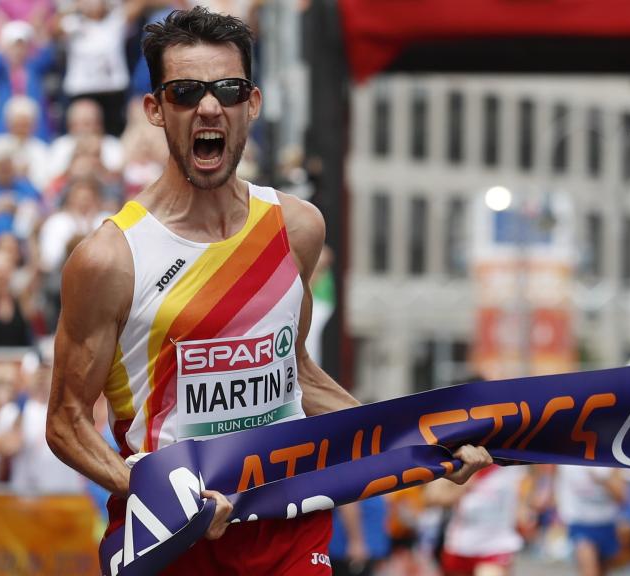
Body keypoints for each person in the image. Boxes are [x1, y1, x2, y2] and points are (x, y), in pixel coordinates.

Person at [44, 8, 493, 574]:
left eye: (227, 90)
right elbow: (65, 420)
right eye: (186, 92)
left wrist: (420, 445)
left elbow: (298, 375)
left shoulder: (296, 227)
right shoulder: (110, 258)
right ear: (156, 109)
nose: (209, 107)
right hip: (174, 540)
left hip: (288, 522)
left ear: (250, 104)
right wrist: (153, 488)